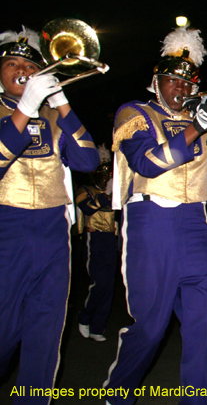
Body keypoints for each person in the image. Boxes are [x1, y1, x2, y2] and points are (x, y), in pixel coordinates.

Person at [103, 27, 207, 405]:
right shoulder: (135, 113)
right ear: (156, 81)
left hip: (196, 226)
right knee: (150, 327)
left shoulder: (202, 119)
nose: (180, 89)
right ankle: (118, 393)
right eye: (172, 81)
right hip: (152, 224)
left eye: (187, 83)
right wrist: (198, 127)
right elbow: (148, 164)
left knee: (206, 326)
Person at [0, 27, 100, 402]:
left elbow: (88, 159)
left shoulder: (53, 115)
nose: (23, 70)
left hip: (54, 233)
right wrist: (25, 108)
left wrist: (61, 103)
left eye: (30, 65)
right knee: (4, 331)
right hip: (6, 230)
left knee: (45, 336)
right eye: (13, 63)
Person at [76, 144, 118, 341]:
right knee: (98, 282)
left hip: (110, 239)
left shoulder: (112, 191)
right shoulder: (85, 189)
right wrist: (105, 195)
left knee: (108, 286)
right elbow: (88, 208)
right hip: (94, 238)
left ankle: (97, 327)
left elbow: (117, 214)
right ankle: (84, 316)